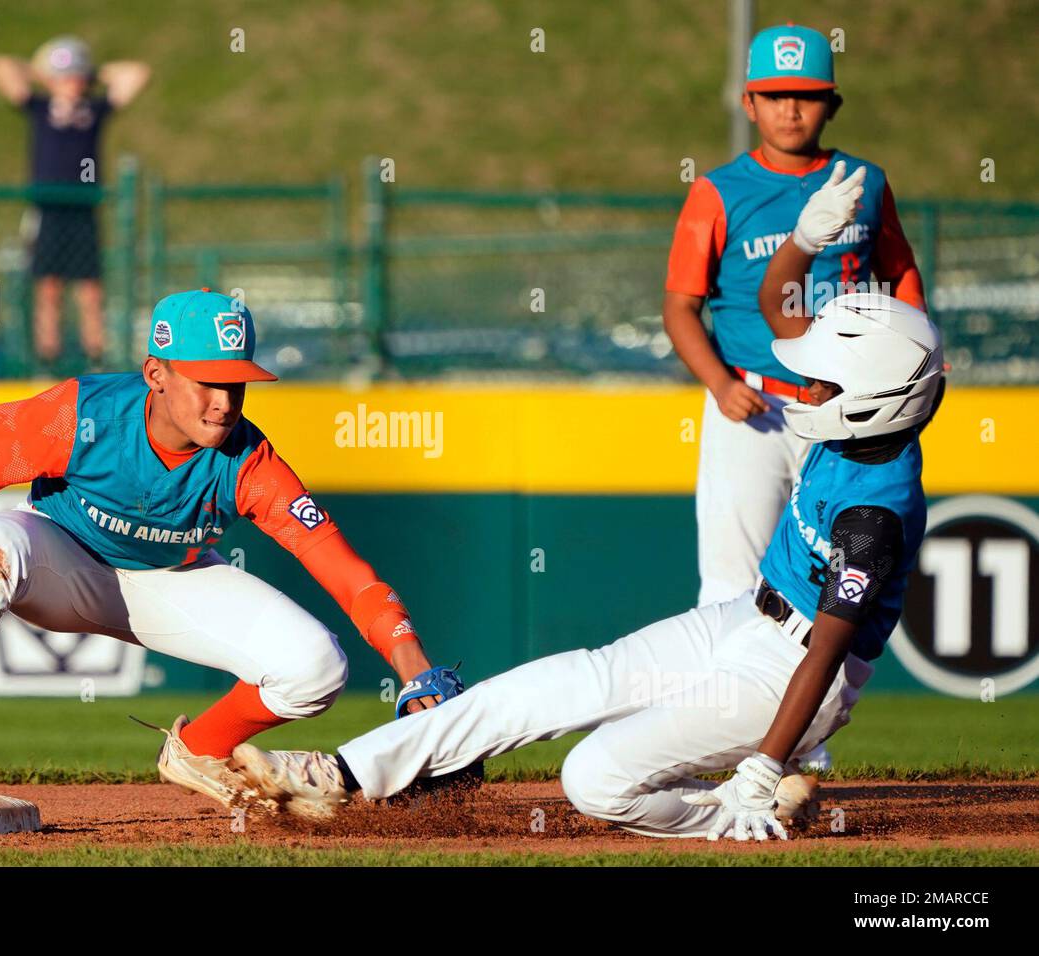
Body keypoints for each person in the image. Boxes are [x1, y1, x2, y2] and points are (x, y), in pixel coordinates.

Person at [228, 190, 945, 839]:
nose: (805, 388)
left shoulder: (873, 514)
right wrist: (804, 244)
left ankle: (733, 812)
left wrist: (763, 763)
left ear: (873, 397)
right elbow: (779, 310)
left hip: (790, 675)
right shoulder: (859, 419)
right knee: (569, 679)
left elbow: (825, 649)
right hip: (744, 618)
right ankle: (344, 773)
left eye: (822, 383)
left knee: (594, 778)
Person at [0, 289, 461, 808]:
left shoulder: (249, 460)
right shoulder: (82, 414)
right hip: (63, 560)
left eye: (237, 382)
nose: (226, 400)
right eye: (207, 379)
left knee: (317, 666)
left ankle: (199, 749)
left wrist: (416, 669)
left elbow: (344, 572)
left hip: (174, 580)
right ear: (156, 373)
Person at [661, 24, 925, 771]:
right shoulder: (718, 189)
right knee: (731, 582)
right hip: (752, 402)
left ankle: (798, 748)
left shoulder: (862, 182)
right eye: (775, 95)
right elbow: (680, 304)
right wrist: (717, 383)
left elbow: (902, 277)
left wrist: (913, 351)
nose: (790, 109)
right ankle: (714, 738)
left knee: (828, 590)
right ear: (749, 101)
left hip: (842, 410)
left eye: (806, 95)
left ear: (831, 103)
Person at [0, 36, 150, 371]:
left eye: (76, 76)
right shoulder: (40, 107)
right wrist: (42, 71)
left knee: (90, 287)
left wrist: (92, 72)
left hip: (83, 207)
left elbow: (138, 73)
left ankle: (96, 357)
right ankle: (48, 357)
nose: (71, 82)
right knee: (48, 285)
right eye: (65, 76)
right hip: (48, 207)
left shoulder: (93, 111)